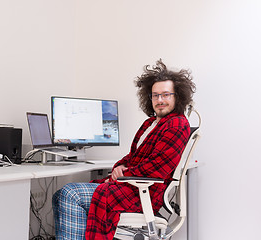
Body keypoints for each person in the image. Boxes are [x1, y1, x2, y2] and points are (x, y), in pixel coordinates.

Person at [52, 59, 196, 240]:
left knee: (70, 194)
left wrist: (123, 175)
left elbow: (158, 168)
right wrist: (119, 167)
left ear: (177, 96)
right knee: (61, 195)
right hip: (130, 185)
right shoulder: (151, 123)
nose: (160, 100)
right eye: (155, 95)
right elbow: (133, 156)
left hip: (142, 192)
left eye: (166, 95)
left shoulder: (176, 124)